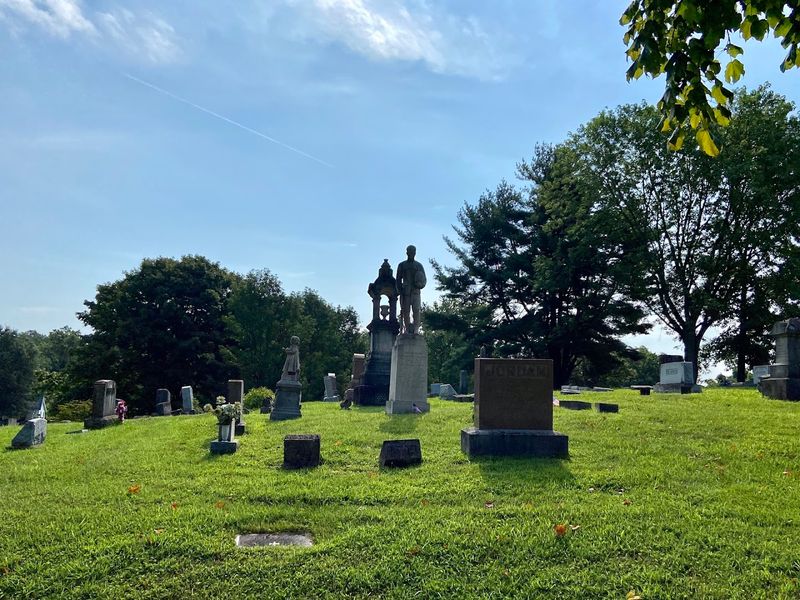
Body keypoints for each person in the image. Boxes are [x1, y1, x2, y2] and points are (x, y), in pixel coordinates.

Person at [395, 245, 426, 334]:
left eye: (413, 252)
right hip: (405, 291)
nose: (412, 253)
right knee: (406, 311)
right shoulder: (402, 265)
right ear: (407, 252)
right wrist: (400, 290)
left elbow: (424, 279)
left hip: (416, 291)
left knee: (416, 310)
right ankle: (407, 328)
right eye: (410, 252)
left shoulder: (419, 265)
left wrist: (420, 285)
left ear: (415, 253)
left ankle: (416, 329)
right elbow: (398, 280)